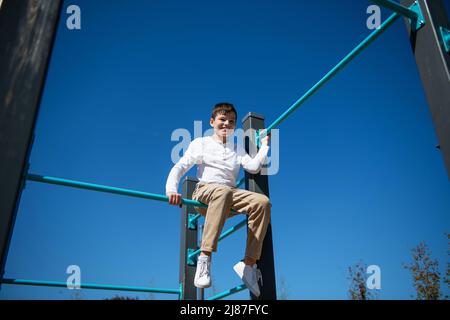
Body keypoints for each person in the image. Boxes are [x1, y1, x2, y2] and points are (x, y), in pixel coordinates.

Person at [165, 102, 271, 297]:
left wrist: (264, 146)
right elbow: (179, 167)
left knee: (262, 202)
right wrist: (171, 189)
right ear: (212, 122)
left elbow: (254, 167)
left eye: (231, 122)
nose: (227, 124)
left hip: (228, 196)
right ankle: (204, 259)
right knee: (223, 192)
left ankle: (248, 265)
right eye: (223, 120)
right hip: (205, 192)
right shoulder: (200, 143)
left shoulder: (236, 148)